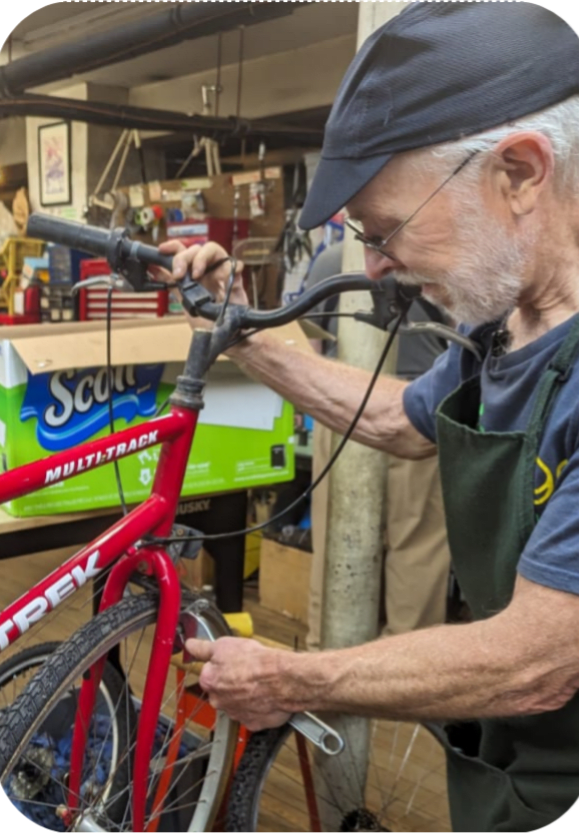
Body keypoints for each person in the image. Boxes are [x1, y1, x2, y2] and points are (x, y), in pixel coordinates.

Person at [160, 4, 579, 831]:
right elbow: (398, 419)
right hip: (510, 761)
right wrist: (244, 333)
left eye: (386, 231)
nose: (375, 267)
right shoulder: (504, 318)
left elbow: (536, 659)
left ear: (519, 173)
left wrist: (291, 679)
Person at [304, 240, 452, 647]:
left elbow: (311, 349)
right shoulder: (433, 256)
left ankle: (322, 654)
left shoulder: (330, 261)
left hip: (343, 407)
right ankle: (411, 666)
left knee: (332, 542)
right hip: (418, 403)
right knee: (418, 545)